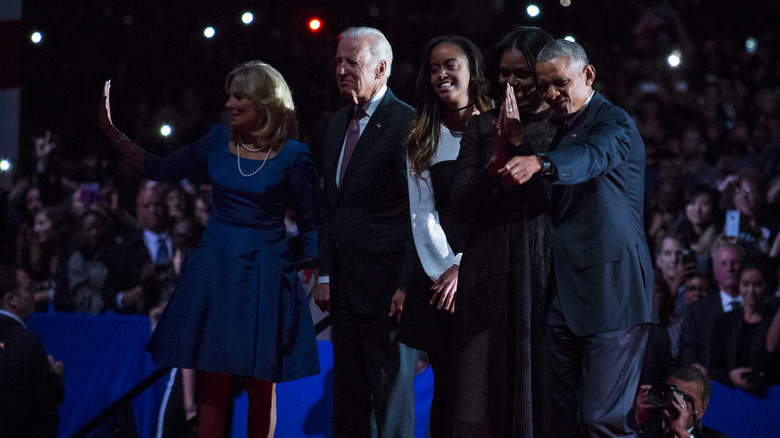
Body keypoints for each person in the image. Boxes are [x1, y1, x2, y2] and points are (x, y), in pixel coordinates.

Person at [99, 60, 320, 438]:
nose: (229, 104)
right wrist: (112, 131)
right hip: (217, 269)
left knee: (259, 382)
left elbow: (313, 223)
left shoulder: (293, 154)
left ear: (264, 102)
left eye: (239, 97)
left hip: (264, 275)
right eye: (229, 96)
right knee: (212, 378)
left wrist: (321, 275)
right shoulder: (217, 140)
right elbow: (160, 167)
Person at [498, 38, 656, 436]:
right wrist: (518, 146)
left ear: (588, 75)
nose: (552, 95)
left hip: (613, 294)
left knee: (602, 420)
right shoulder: (562, 133)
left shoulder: (614, 123)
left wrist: (540, 161)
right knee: (561, 420)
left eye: (561, 83)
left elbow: (592, 158)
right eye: (545, 86)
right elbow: (549, 200)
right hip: (566, 299)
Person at [449, 26, 555, 437]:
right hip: (487, 267)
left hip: (541, 266)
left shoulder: (561, 128)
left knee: (534, 381)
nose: (510, 84)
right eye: (504, 74)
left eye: (522, 75)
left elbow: (551, 199)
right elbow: (459, 202)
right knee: (476, 386)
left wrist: (518, 142)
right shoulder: (480, 128)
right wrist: (493, 168)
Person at [313, 27, 417, 437]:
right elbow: (331, 205)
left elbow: (417, 212)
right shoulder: (339, 122)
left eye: (351, 63)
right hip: (344, 288)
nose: (340, 70)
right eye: (337, 61)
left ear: (381, 68)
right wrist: (324, 273)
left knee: (390, 399)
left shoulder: (406, 121)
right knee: (349, 399)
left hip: (389, 289)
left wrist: (407, 285)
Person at [398, 35, 492, 438]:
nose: (441, 74)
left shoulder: (498, 127)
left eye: (450, 65)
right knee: (447, 389)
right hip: (437, 282)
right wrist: (445, 270)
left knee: (483, 391)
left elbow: (499, 211)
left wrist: (463, 267)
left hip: (487, 271)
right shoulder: (420, 135)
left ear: (472, 70)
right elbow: (422, 214)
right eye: (434, 68)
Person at [0, 266, 65, 437]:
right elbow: (44, 406)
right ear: (11, 300)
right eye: (29, 288)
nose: (34, 293)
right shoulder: (27, 342)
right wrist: (54, 377)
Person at [708, 255, 780, 393]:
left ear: (766, 286)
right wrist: (730, 376)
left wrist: (765, 377)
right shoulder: (725, 322)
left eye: (757, 285)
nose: (751, 291)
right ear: (739, 285)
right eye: (746, 284)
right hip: (732, 396)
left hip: (769, 398)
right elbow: (713, 368)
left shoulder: (773, 323)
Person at [681, 241, 745, 373]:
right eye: (723, 264)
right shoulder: (697, 310)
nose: (729, 268)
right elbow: (689, 353)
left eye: (735, 262)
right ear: (715, 272)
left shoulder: (760, 305)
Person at [631, 366, 730, 438]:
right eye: (673, 394)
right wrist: (635, 423)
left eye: (687, 398)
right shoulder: (643, 428)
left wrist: (682, 434)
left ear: (702, 411)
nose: (678, 401)